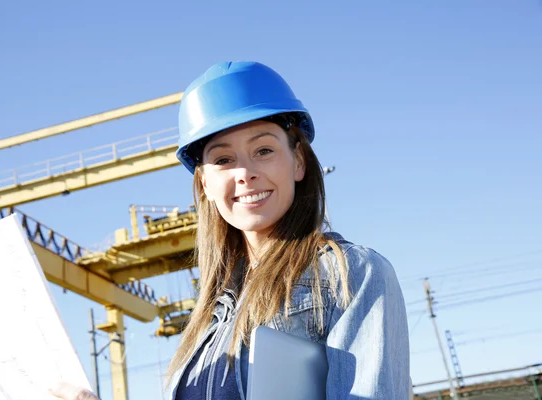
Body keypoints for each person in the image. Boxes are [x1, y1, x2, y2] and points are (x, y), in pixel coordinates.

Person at [51, 61, 411, 400]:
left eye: (264, 150)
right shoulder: (211, 313)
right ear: (204, 183)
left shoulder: (352, 275)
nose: (244, 172)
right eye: (223, 159)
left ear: (298, 161)